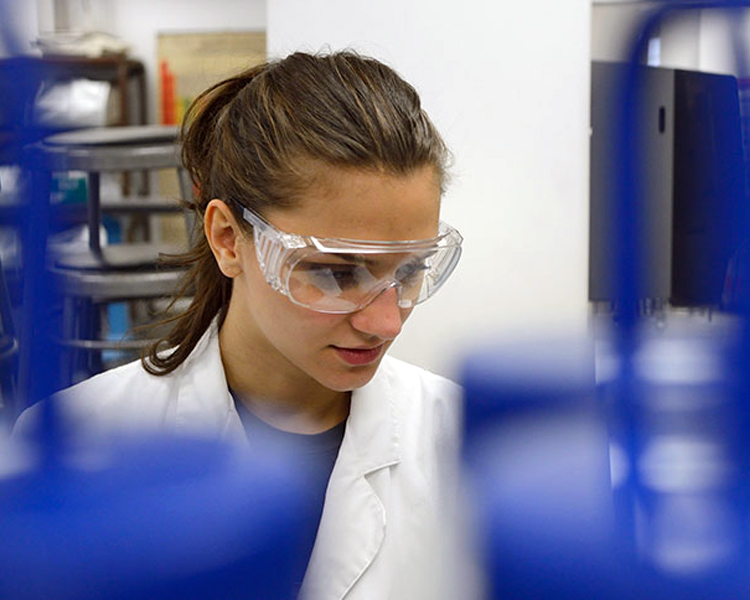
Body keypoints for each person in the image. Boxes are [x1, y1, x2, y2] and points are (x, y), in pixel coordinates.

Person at [15, 50, 467, 599]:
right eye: (335, 272)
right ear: (229, 239)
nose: (385, 321)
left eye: (412, 270)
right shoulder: (84, 444)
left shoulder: (463, 445)